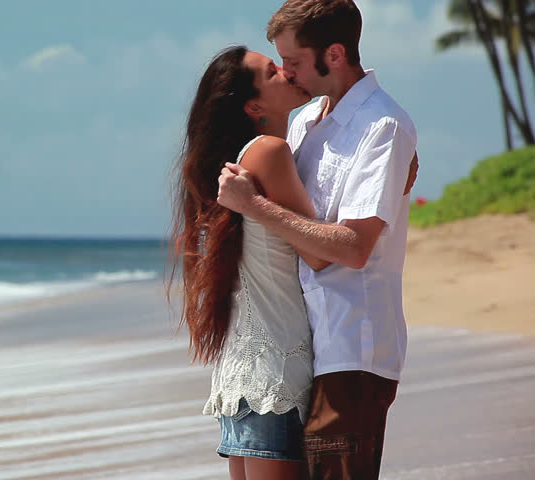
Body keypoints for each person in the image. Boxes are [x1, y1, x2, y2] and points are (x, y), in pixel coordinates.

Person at [216, 1, 418, 478]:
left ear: (334, 54)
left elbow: (353, 247)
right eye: (279, 63)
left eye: (293, 62)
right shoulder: (304, 123)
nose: (287, 74)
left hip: (353, 344)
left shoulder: (382, 126)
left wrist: (255, 206)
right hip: (305, 346)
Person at [169, 44, 327, 480]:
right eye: (273, 71)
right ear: (254, 105)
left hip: (244, 377)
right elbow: (318, 252)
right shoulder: (269, 152)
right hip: (274, 378)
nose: (288, 71)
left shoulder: (248, 160)